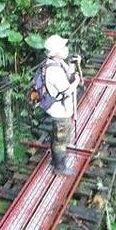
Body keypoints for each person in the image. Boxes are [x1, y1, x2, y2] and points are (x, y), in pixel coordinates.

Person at [43, 34, 81, 176]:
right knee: (61, 139)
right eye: (63, 47)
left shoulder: (54, 63)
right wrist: (76, 82)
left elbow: (68, 73)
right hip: (60, 111)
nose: (66, 49)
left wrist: (72, 64)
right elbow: (67, 90)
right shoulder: (54, 71)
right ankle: (59, 167)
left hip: (57, 107)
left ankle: (56, 161)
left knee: (57, 136)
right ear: (56, 52)